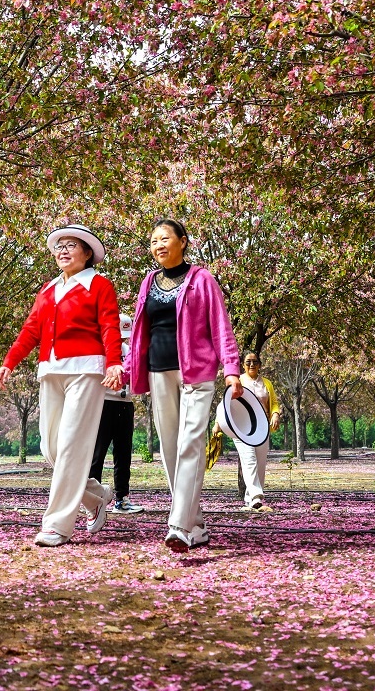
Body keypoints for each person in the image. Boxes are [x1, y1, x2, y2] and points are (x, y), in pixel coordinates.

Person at [0, 224, 123, 546]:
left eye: (71, 245)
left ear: (88, 253)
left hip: (86, 370)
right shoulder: (48, 289)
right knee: (51, 449)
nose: (63, 250)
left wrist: (114, 363)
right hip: (50, 370)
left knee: (70, 448)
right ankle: (95, 496)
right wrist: (10, 361)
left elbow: (109, 326)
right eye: (59, 246)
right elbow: (30, 329)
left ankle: (56, 525)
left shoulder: (99, 285)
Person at [125, 219, 242, 552]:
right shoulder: (148, 282)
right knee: (170, 448)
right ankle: (197, 524)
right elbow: (138, 331)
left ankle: (178, 525)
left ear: (183, 242)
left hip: (197, 371)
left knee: (191, 441)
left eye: (165, 238)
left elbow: (220, 326)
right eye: (154, 241)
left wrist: (231, 367)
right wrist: (130, 368)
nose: (159, 245)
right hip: (158, 371)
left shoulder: (202, 279)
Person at [90, 314, 144, 514]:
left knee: (123, 455)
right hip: (104, 404)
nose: (122, 340)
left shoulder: (130, 351)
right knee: (98, 454)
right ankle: (92, 499)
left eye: (124, 336)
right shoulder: (101, 351)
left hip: (125, 404)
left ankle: (122, 499)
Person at [232, 351, 280, 512]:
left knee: (260, 463)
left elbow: (273, 403)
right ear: (243, 365)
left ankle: (249, 499)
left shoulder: (266, 383)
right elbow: (227, 403)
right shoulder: (238, 382)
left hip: (262, 427)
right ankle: (256, 496)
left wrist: (275, 415)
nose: (251, 365)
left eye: (255, 362)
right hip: (242, 427)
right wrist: (219, 423)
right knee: (249, 459)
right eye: (248, 362)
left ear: (259, 364)